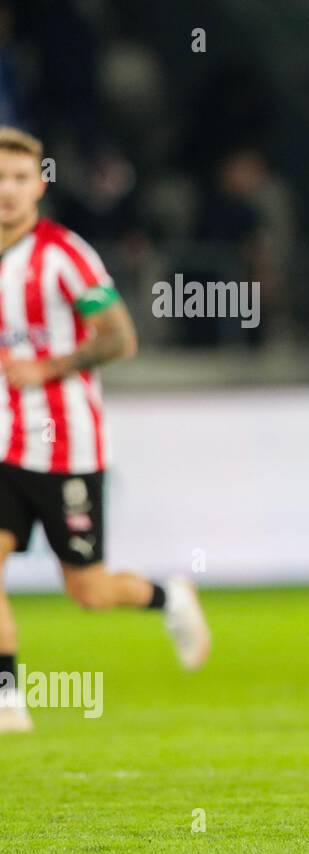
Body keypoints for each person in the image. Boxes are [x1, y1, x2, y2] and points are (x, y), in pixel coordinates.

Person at [0, 127, 210, 733]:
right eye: (0, 180)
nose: (9, 192)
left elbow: (120, 336)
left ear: (39, 185)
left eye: (19, 179)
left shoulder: (63, 256)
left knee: (87, 590)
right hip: (3, 443)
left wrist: (48, 366)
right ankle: (8, 697)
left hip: (67, 446)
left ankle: (169, 598)